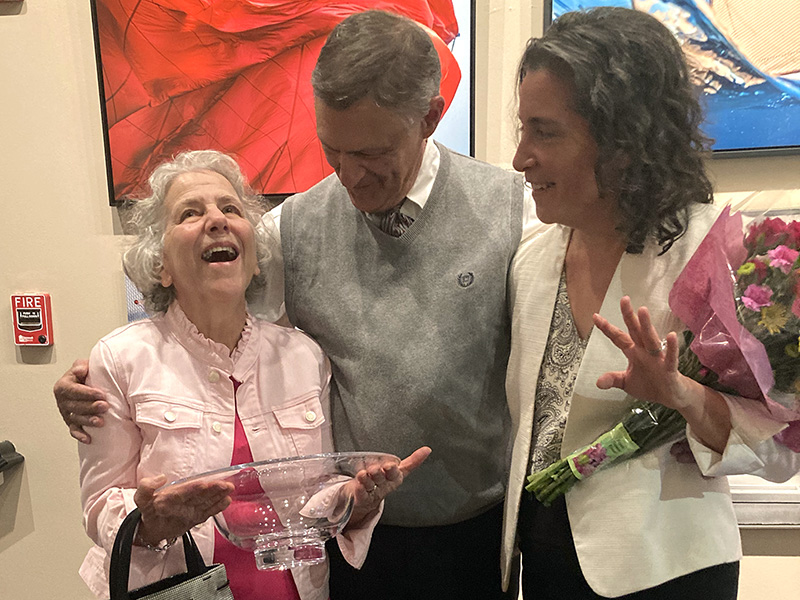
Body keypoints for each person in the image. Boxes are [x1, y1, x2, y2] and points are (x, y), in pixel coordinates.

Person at [56, 10, 533, 600]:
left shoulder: (515, 212)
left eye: (372, 152)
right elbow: (197, 308)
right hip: (346, 550)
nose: (350, 177)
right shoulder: (294, 227)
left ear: (431, 117)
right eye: (333, 150)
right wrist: (94, 381)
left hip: (470, 534)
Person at [502, 7, 800, 600]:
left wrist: (681, 394)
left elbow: (777, 453)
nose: (519, 158)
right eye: (522, 129)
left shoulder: (717, 253)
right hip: (537, 561)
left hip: (666, 569)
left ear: (622, 138)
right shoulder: (530, 259)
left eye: (546, 131)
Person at [76, 149, 429, 600]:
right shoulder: (119, 359)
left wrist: (354, 501)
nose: (217, 220)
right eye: (189, 213)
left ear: (257, 258)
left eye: (230, 209)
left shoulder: (302, 355)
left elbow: (316, 492)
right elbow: (98, 506)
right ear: (159, 264)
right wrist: (151, 521)